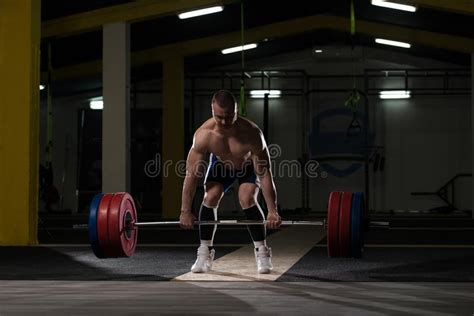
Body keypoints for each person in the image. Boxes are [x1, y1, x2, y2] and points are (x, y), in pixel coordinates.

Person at [179, 90, 282, 274]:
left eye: (229, 116)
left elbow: (265, 174)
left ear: (236, 110)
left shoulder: (252, 134)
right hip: (221, 165)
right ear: (212, 111)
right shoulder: (204, 135)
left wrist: (273, 211)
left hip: (247, 164)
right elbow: (191, 176)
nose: (225, 122)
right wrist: (185, 211)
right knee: (210, 196)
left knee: (246, 198)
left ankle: (262, 252)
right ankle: (204, 253)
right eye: (220, 117)